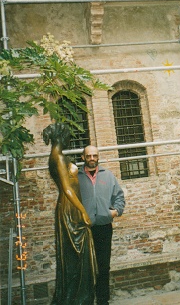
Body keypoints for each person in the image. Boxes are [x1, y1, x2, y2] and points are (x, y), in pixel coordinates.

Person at [43, 123, 97, 305]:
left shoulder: (58, 156)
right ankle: (76, 298)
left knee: (76, 255)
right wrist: (83, 212)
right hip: (70, 209)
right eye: (67, 137)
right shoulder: (57, 157)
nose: (68, 140)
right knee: (76, 255)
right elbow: (67, 189)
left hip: (71, 207)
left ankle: (79, 297)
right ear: (60, 137)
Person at [78, 145, 125, 305]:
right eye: (89, 156)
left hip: (104, 228)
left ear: (98, 157)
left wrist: (114, 212)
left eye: (95, 156)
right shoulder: (76, 177)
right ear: (83, 157)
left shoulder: (108, 175)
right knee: (86, 268)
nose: (92, 158)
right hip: (83, 230)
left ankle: (103, 301)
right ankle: (87, 300)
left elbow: (119, 196)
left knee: (103, 267)